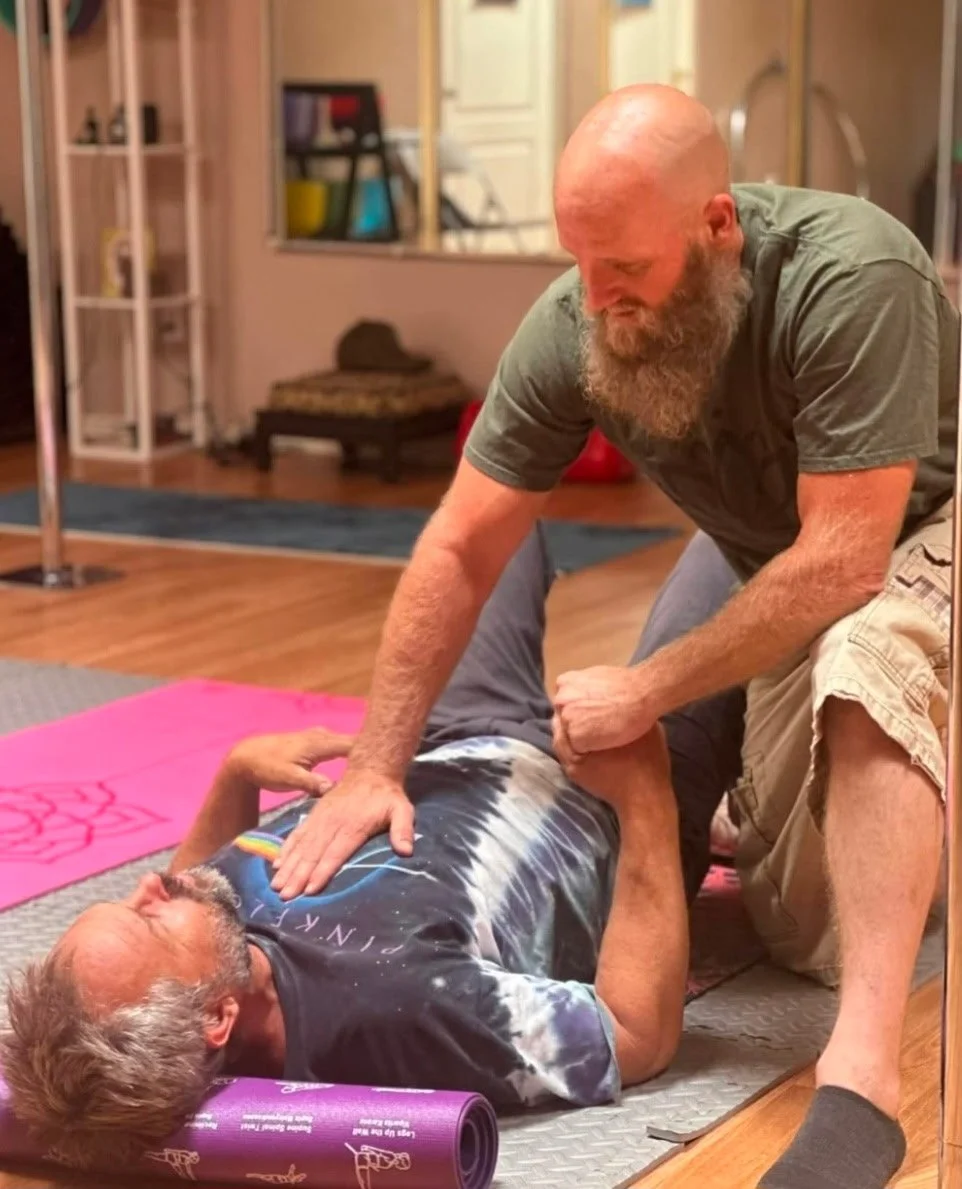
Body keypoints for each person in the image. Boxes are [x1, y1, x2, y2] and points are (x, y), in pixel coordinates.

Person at [267, 85, 960, 1189]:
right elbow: (458, 547)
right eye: (578, 268)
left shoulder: (851, 274)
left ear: (716, 227)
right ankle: (788, 808)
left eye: (625, 273)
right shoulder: (578, 317)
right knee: (711, 859)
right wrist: (370, 765)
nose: (599, 301)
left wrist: (644, 683)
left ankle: (862, 1074)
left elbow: (841, 559)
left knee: (858, 676)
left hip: (908, 524)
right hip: (755, 543)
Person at [0, 526, 744, 1172]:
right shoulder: (406, 1014)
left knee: (489, 493)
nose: (152, 886)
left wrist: (235, 771)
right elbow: (634, 1033)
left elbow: (185, 880)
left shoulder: (212, 946)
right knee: (741, 534)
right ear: (217, 1023)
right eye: (150, 920)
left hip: (452, 740)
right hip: (606, 794)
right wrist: (647, 796)